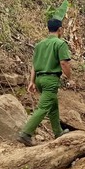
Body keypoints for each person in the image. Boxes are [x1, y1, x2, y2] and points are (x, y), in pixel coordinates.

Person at [18, 18, 72, 146]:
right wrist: (70, 78)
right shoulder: (60, 44)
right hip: (51, 80)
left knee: (53, 106)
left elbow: (34, 65)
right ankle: (26, 133)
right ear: (60, 29)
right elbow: (64, 62)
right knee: (43, 107)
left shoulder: (39, 45)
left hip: (39, 79)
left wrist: (32, 81)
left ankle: (58, 132)